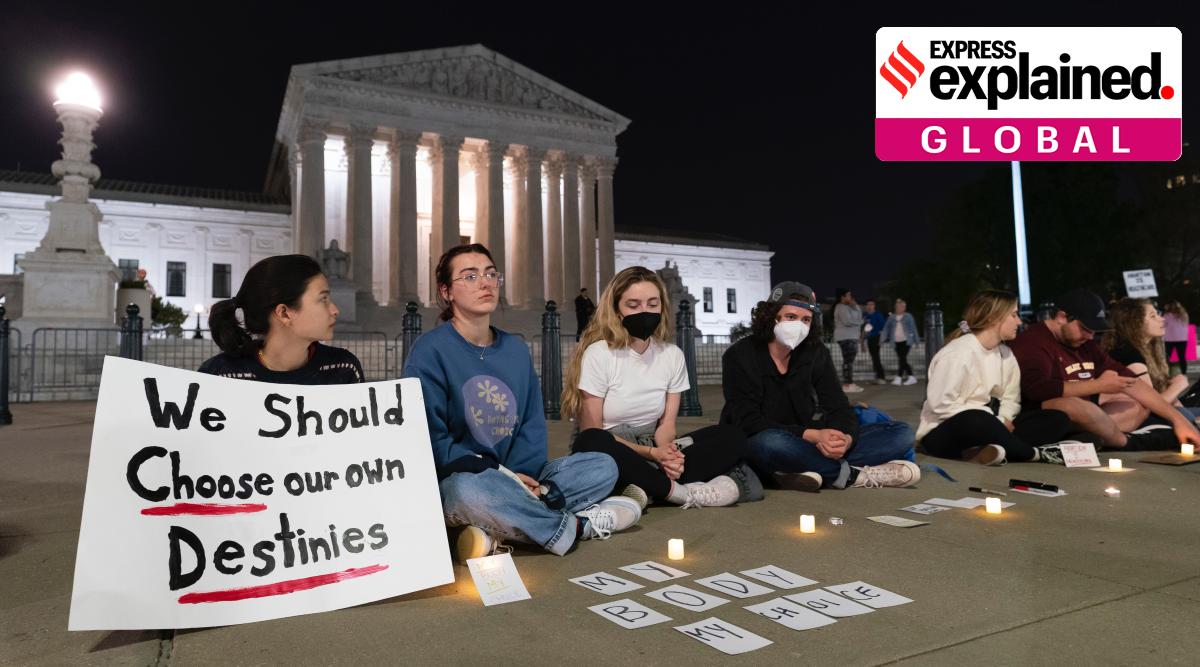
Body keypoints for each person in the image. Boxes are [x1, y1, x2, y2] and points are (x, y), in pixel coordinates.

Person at [402, 244, 639, 562]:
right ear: (446, 292)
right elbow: (431, 439)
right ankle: (575, 526)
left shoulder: (514, 348)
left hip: (520, 477)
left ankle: (495, 527)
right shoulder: (429, 350)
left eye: (490, 274)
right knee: (466, 492)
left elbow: (531, 423)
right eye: (470, 276)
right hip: (464, 477)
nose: (485, 283)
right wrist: (503, 476)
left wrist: (523, 477)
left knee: (603, 465)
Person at [562, 266, 753, 510]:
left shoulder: (672, 355)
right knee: (591, 441)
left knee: (732, 436)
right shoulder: (599, 354)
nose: (645, 312)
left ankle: (645, 487)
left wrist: (667, 454)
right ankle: (679, 493)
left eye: (652, 304)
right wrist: (651, 454)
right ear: (616, 310)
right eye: (633, 305)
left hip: (652, 445)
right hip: (612, 449)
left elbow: (667, 425)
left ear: (662, 306)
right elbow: (592, 430)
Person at [721, 281, 920, 491]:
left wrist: (844, 439)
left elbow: (838, 406)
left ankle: (803, 470)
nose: (798, 325)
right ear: (771, 316)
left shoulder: (815, 352)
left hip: (806, 441)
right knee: (769, 443)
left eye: (806, 319)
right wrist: (813, 435)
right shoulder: (739, 355)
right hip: (764, 438)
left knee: (902, 433)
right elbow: (748, 421)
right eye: (791, 317)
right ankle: (853, 475)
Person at [1009, 288, 1200, 451]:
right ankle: (1125, 442)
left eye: (1094, 330)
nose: (1090, 336)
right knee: (1071, 405)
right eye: (1085, 328)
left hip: (1088, 418)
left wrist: (1178, 420)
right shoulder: (1033, 341)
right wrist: (1098, 385)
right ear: (1061, 317)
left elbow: (1131, 382)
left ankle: (1093, 437)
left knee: (1139, 402)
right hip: (1044, 418)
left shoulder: (1085, 344)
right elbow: (1037, 389)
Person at [917, 290, 1073, 465]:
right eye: (1013, 315)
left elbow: (1011, 398)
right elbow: (941, 405)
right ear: (993, 318)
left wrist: (1004, 419)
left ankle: (988, 450)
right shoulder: (957, 353)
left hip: (991, 425)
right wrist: (997, 421)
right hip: (944, 431)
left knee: (1058, 419)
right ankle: (1034, 453)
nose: (1019, 321)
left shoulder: (1006, 354)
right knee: (976, 419)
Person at [199, 254, 364, 384]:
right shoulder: (218, 376)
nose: (335, 310)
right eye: (323, 299)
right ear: (284, 313)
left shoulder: (344, 368)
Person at [1100, 298, 1193, 428]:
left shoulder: (1148, 349)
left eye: (1158, 314)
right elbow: (1150, 407)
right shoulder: (1129, 354)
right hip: (1131, 422)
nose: (1162, 319)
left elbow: (1167, 398)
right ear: (1135, 322)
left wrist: (1191, 420)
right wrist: (1177, 386)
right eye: (1153, 316)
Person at [882, 298, 921, 385]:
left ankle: (899, 377)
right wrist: (881, 339)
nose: (900, 308)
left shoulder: (908, 316)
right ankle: (911, 377)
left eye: (902, 306)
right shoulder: (891, 317)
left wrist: (917, 341)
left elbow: (913, 328)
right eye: (898, 306)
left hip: (906, 341)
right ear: (896, 307)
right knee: (902, 359)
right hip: (896, 342)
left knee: (902, 358)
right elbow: (886, 329)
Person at [833, 288, 864, 393]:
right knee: (848, 360)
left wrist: (856, 306)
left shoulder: (849, 307)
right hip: (845, 337)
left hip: (851, 336)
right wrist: (860, 322)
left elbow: (859, 316)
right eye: (848, 295)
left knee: (849, 360)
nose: (851, 297)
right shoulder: (840, 307)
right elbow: (847, 321)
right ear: (843, 297)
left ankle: (849, 383)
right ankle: (847, 384)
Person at [861, 299, 887, 385]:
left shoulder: (878, 315)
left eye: (871, 304)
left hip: (876, 338)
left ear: (874, 306)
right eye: (868, 304)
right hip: (869, 338)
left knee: (876, 358)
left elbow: (883, 327)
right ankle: (878, 376)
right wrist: (862, 342)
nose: (869, 306)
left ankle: (881, 377)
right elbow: (864, 329)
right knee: (874, 358)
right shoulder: (866, 316)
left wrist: (880, 340)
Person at [1163, 301, 1190, 375]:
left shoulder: (1167, 315)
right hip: (1182, 339)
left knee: (1167, 357)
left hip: (1169, 339)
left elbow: (1163, 325)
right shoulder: (1184, 315)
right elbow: (1187, 324)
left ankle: (1166, 373)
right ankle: (1184, 373)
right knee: (1182, 357)